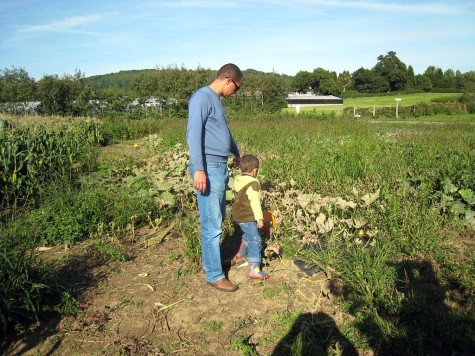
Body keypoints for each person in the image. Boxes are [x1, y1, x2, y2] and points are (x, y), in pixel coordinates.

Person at [186, 63, 243, 292]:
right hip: (208, 167)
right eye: (237, 89)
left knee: (216, 221)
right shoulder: (202, 97)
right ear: (228, 80)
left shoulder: (215, 101)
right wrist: (199, 168)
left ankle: (213, 264)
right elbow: (194, 133)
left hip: (219, 166)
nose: (235, 93)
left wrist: (237, 151)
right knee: (212, 225)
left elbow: (223, 133)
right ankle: (214, 275)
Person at [232, 154, 270, 280]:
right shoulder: (253, 183)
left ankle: (240, 253)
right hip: (247, 216)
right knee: (256, 240)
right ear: (255, 170)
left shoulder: (237, 180)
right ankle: (254, 269)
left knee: (249, 234)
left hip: (237, 215)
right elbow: (254, 202)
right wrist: (259, 218)